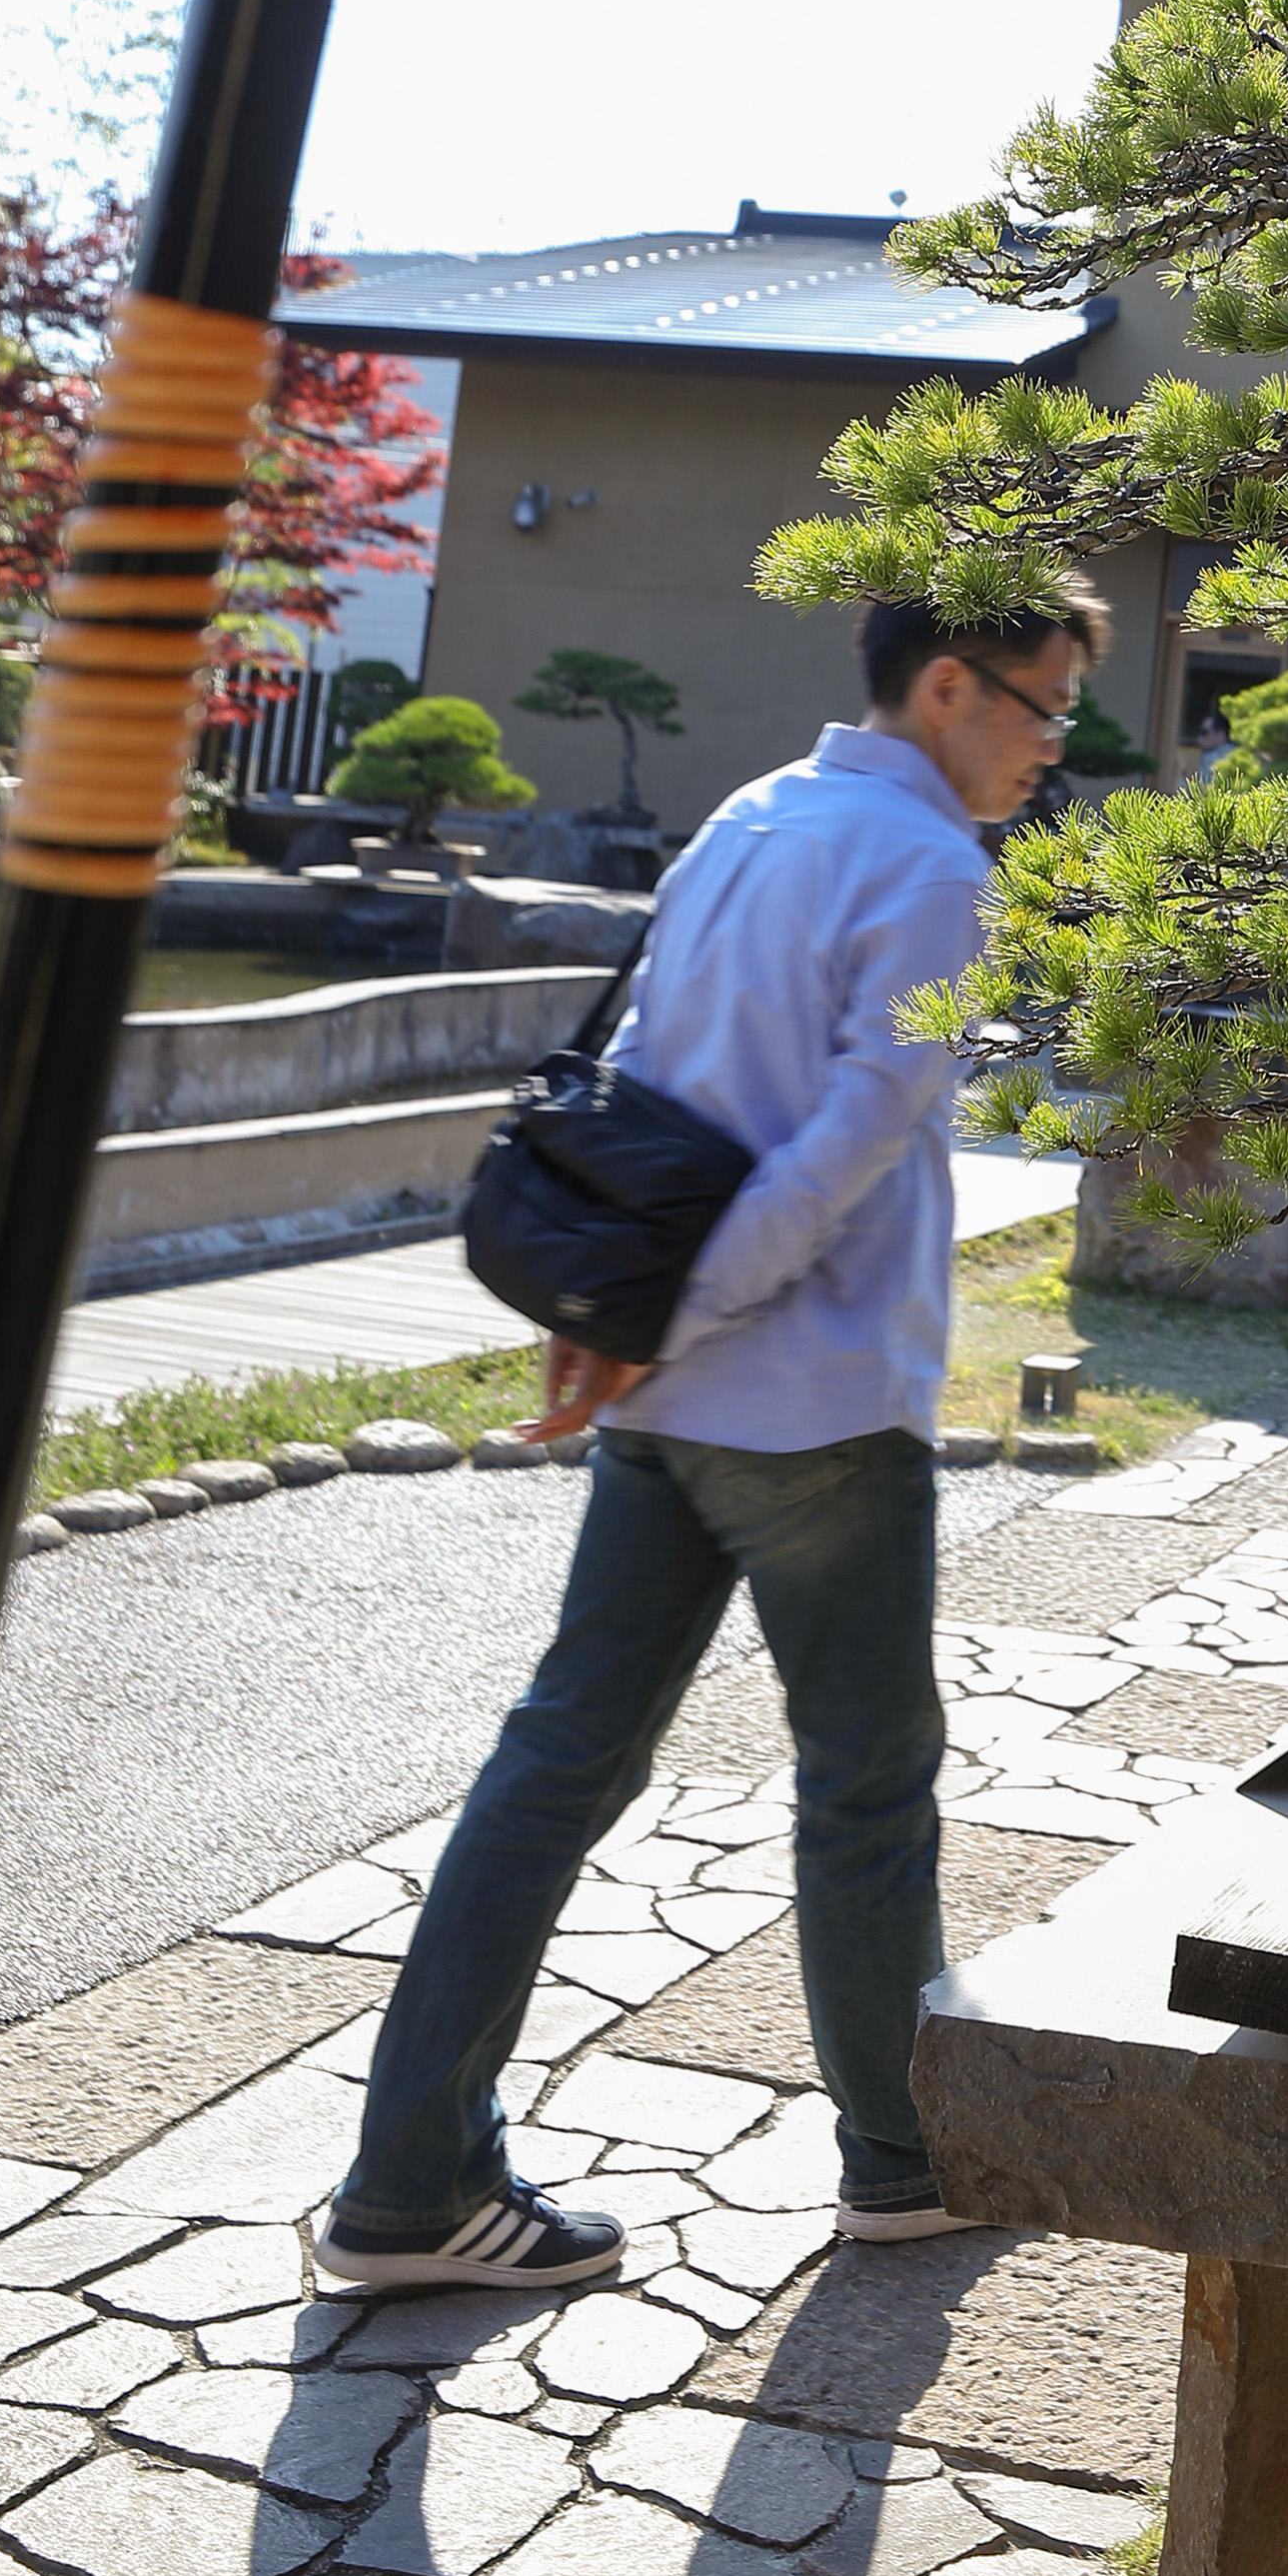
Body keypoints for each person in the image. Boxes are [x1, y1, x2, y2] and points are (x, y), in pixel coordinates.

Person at [311, 577, 1103, 2296]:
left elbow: (639, 1097)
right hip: (805, 1398)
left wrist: (625, 1329)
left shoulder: (753, 811)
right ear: (950, 687)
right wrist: (672, 1320)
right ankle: (902, 2161)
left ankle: (405, 2183)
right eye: (1041, 710)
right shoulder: (934, 876)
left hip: (666, 1395)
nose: (1054, 749)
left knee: (554, 1767)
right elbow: (837, 1159)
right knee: (870, 1794)